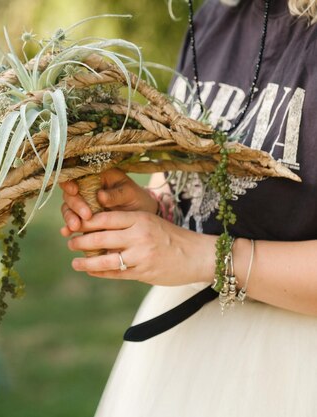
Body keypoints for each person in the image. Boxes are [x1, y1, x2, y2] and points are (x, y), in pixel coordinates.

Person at [59, 0, 317, 416]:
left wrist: (200, 256)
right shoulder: (215, 16)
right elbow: (180, 173)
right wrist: (153, 211)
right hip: (182, 356)